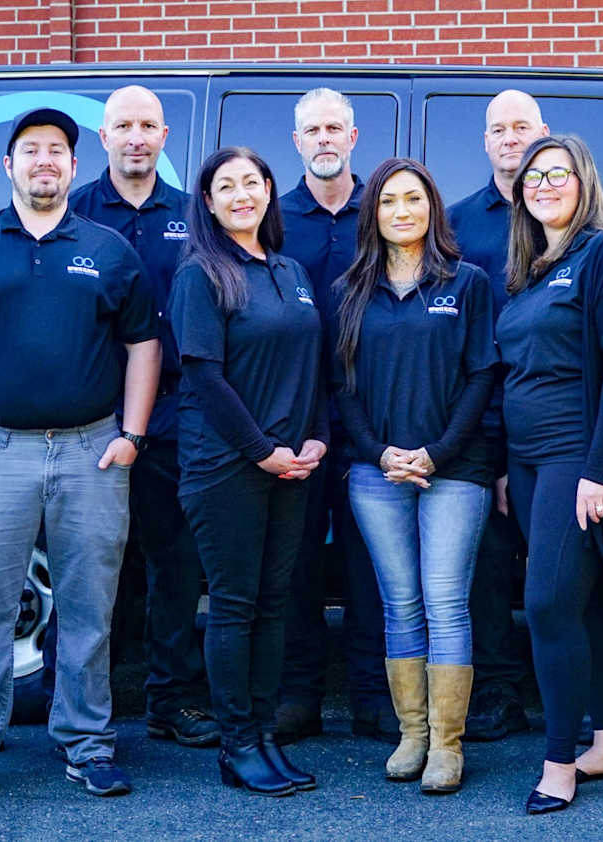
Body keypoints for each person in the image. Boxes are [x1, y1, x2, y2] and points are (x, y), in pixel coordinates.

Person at [0, 108, 160, 805]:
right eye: (30, 150)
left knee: (89, 607)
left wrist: (132, 435)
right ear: (9, 165)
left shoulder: (110, 249)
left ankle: (87, 744)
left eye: (56, 150)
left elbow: (144, 344)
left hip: (92, 452)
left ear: (75, 166)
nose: (44, 160)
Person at [496, 134, 603, 815]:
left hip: (577, 458)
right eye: (533, 177)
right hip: (529, 462)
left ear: (584, 179)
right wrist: (507, 468)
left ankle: (559, 762)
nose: (544, 186)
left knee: (546, 605)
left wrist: (598, 471)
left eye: (558, 173)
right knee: (586, 601)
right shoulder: (532, 268)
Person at [333, 158, 495, 793]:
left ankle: (447, 746)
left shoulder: (467, 283)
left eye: (414, 199)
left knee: (446, 602)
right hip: (377, 474)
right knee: (399, 603)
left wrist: (438, 452)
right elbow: (342, 388)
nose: (402, 211)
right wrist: (380, 454)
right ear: (372, 214)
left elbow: (482, 375)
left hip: (454, 469)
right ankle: (413, 734)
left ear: (433, 208)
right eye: (389, 201)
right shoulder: (350, 291)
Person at [170, 147, 328, 797]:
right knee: (235, 606)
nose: (241, 195)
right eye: (226, 186)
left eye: (251, 183)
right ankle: (237, 745)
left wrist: (317, 436)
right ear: (208, 203)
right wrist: (261, 449)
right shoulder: (201, 274)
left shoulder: (290, 270)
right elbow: (204, 377)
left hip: (290, 464)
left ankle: (264, 735)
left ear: (268, 190)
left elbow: (313, 364)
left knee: (272, 601)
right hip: (227, 465)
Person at [69, 85, 218, 749]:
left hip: (176, 414)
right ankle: (85, 705)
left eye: (148, 125)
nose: (136, 136)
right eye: (123, 125)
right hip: (91, 414)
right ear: (103, 137)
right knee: (88, 564)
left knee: (175, 563)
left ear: (164, 136)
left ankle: (171, 700)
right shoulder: (73, 211)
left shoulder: (194, 215)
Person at [275, 87, 392, 743]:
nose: (324, 139)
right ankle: (299, 696)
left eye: (334, 129)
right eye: (312, 130)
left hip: (370, 416)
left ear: (352, 137)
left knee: (369, 562)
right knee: (294, 564)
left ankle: (373, 696)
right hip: (292, 416)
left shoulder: (379, 212)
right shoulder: (274, 216)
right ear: (297, 142)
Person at [444, 89, 546, 742]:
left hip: (552, 421)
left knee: (561, 565)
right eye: (499, 129)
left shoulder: (566, 216)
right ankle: (500, 693)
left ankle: (577, 697)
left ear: (542, 133)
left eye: (522, 127)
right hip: (482, 419)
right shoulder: (456, 225)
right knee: (484, 569)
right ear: (485, 141)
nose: (511, 138)